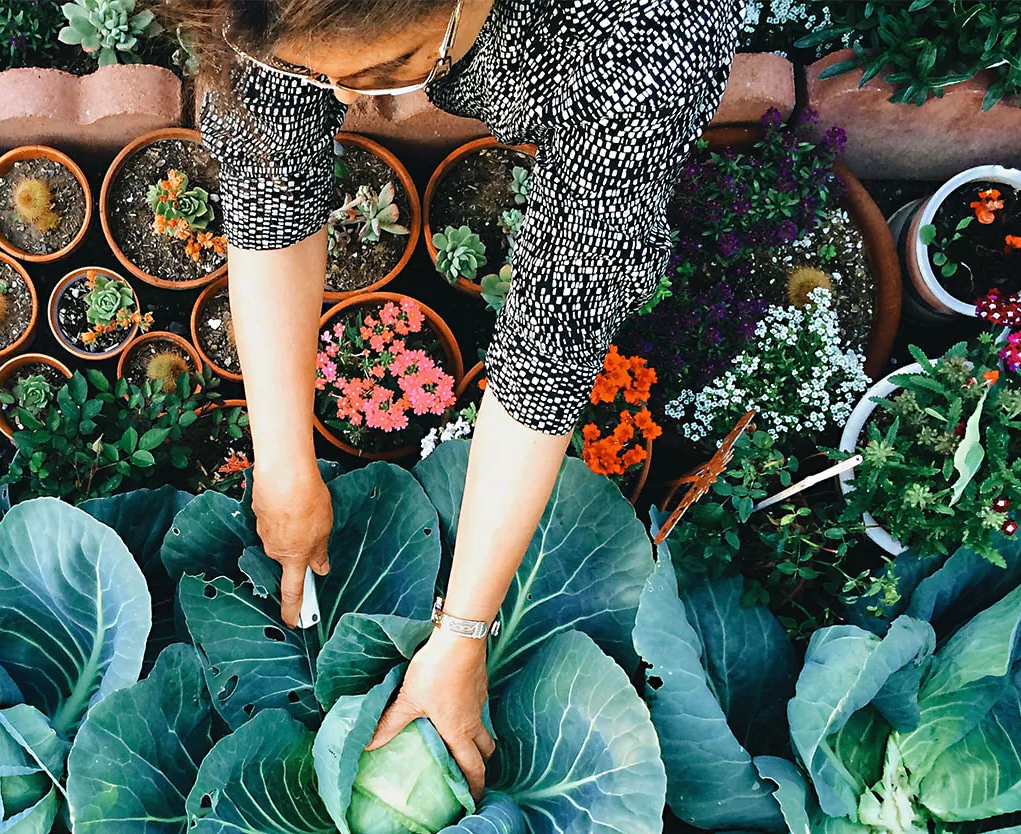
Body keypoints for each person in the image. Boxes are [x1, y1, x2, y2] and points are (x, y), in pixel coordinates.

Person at [158, 0, 742, 798]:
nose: (350, 99)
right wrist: (284, 468)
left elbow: (551, 344)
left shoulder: (644, 41)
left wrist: (464, 636)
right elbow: (269, 182)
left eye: (388, 68)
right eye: (310, 71)